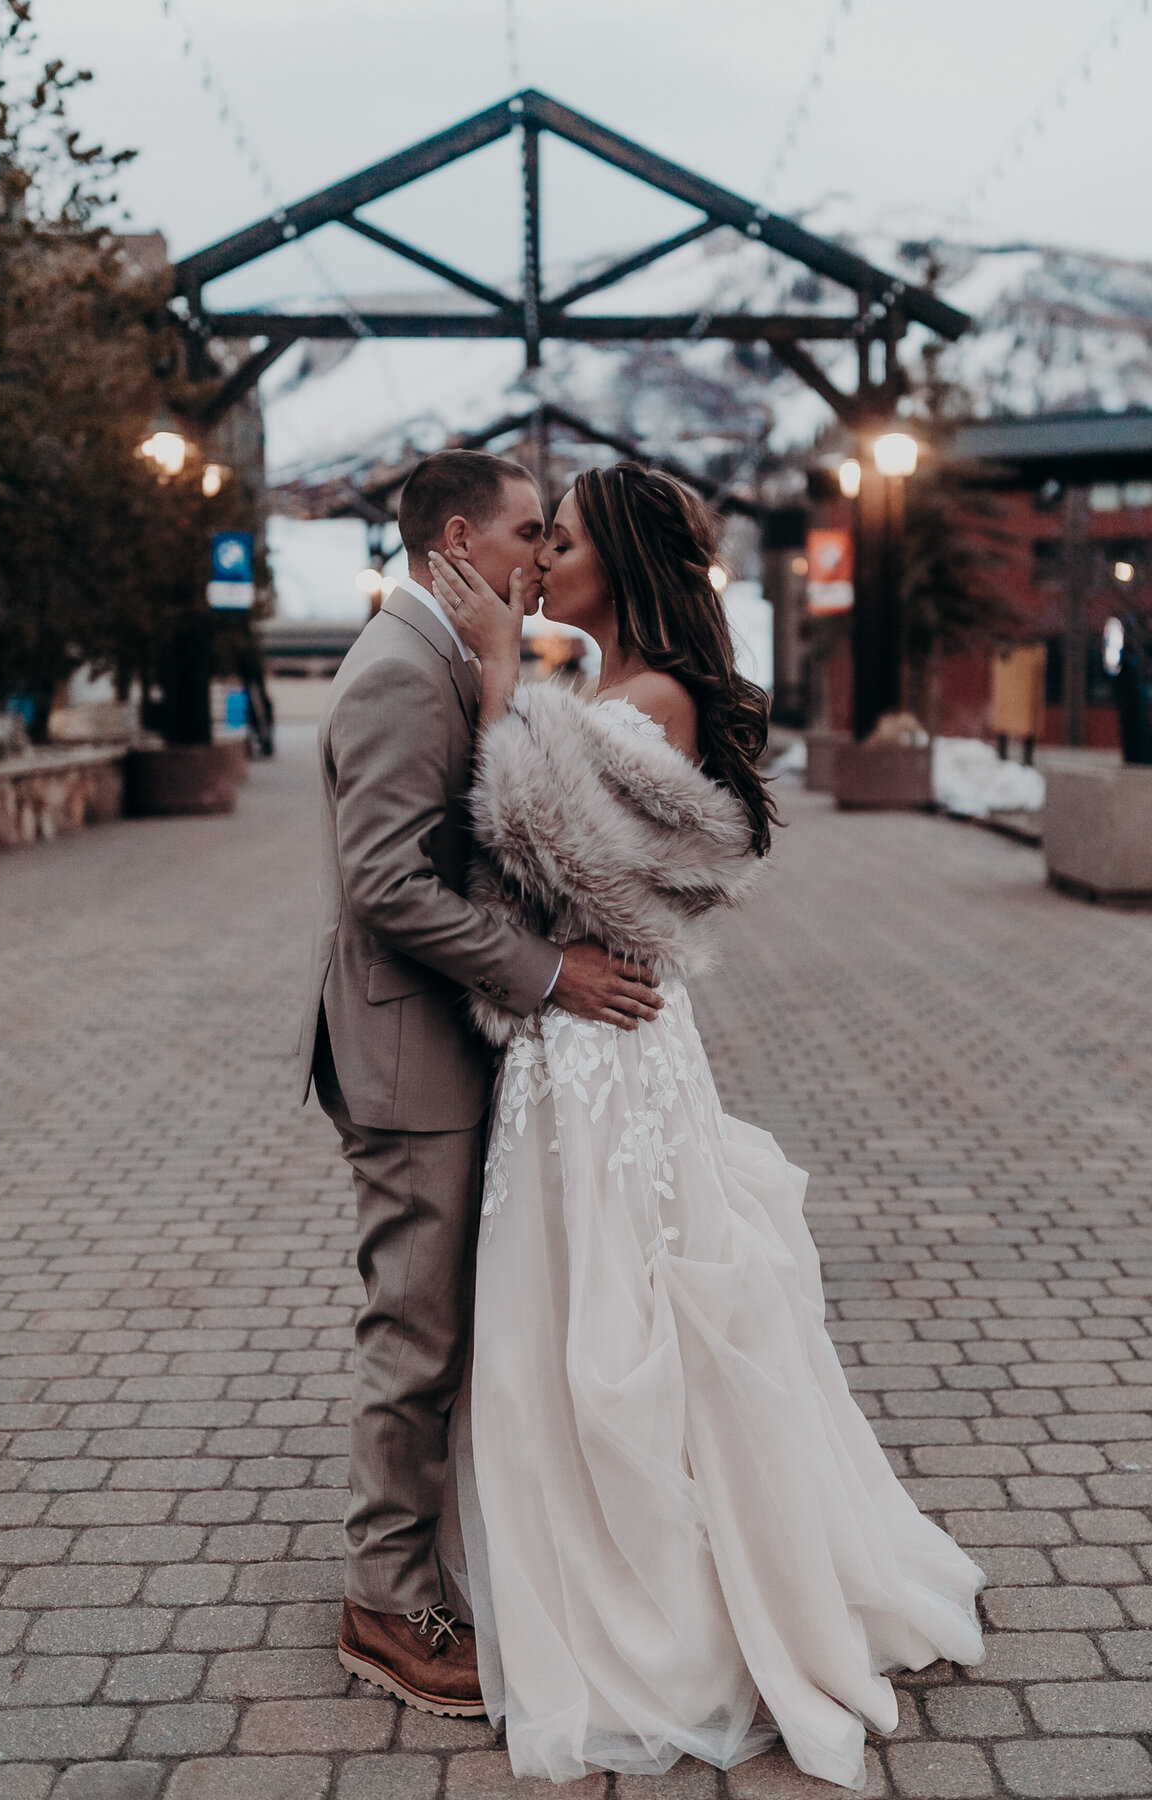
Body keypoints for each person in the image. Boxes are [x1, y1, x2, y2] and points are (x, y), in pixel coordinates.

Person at [426, 462, 985, 1791]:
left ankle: (670, 1603)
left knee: (628, 1318)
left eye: (560, 541)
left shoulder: (649, 698)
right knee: (579, 1312)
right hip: (596, 1045)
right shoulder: (611, 694)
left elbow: (526, 842)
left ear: (619, 557)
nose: (542, 559)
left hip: (604, 1048)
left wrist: (500, 667)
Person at [296, 450, 664, 1718]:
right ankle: (386, 1606)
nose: (539, 557)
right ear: (458, 537)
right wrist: (551, 974)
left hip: (448, 1046)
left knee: (442, 1327)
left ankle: (425, 1567)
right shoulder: (402, 670)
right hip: (409, 1055)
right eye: (525, 532)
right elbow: (388, 887)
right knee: (414, 1334)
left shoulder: (450, 657)